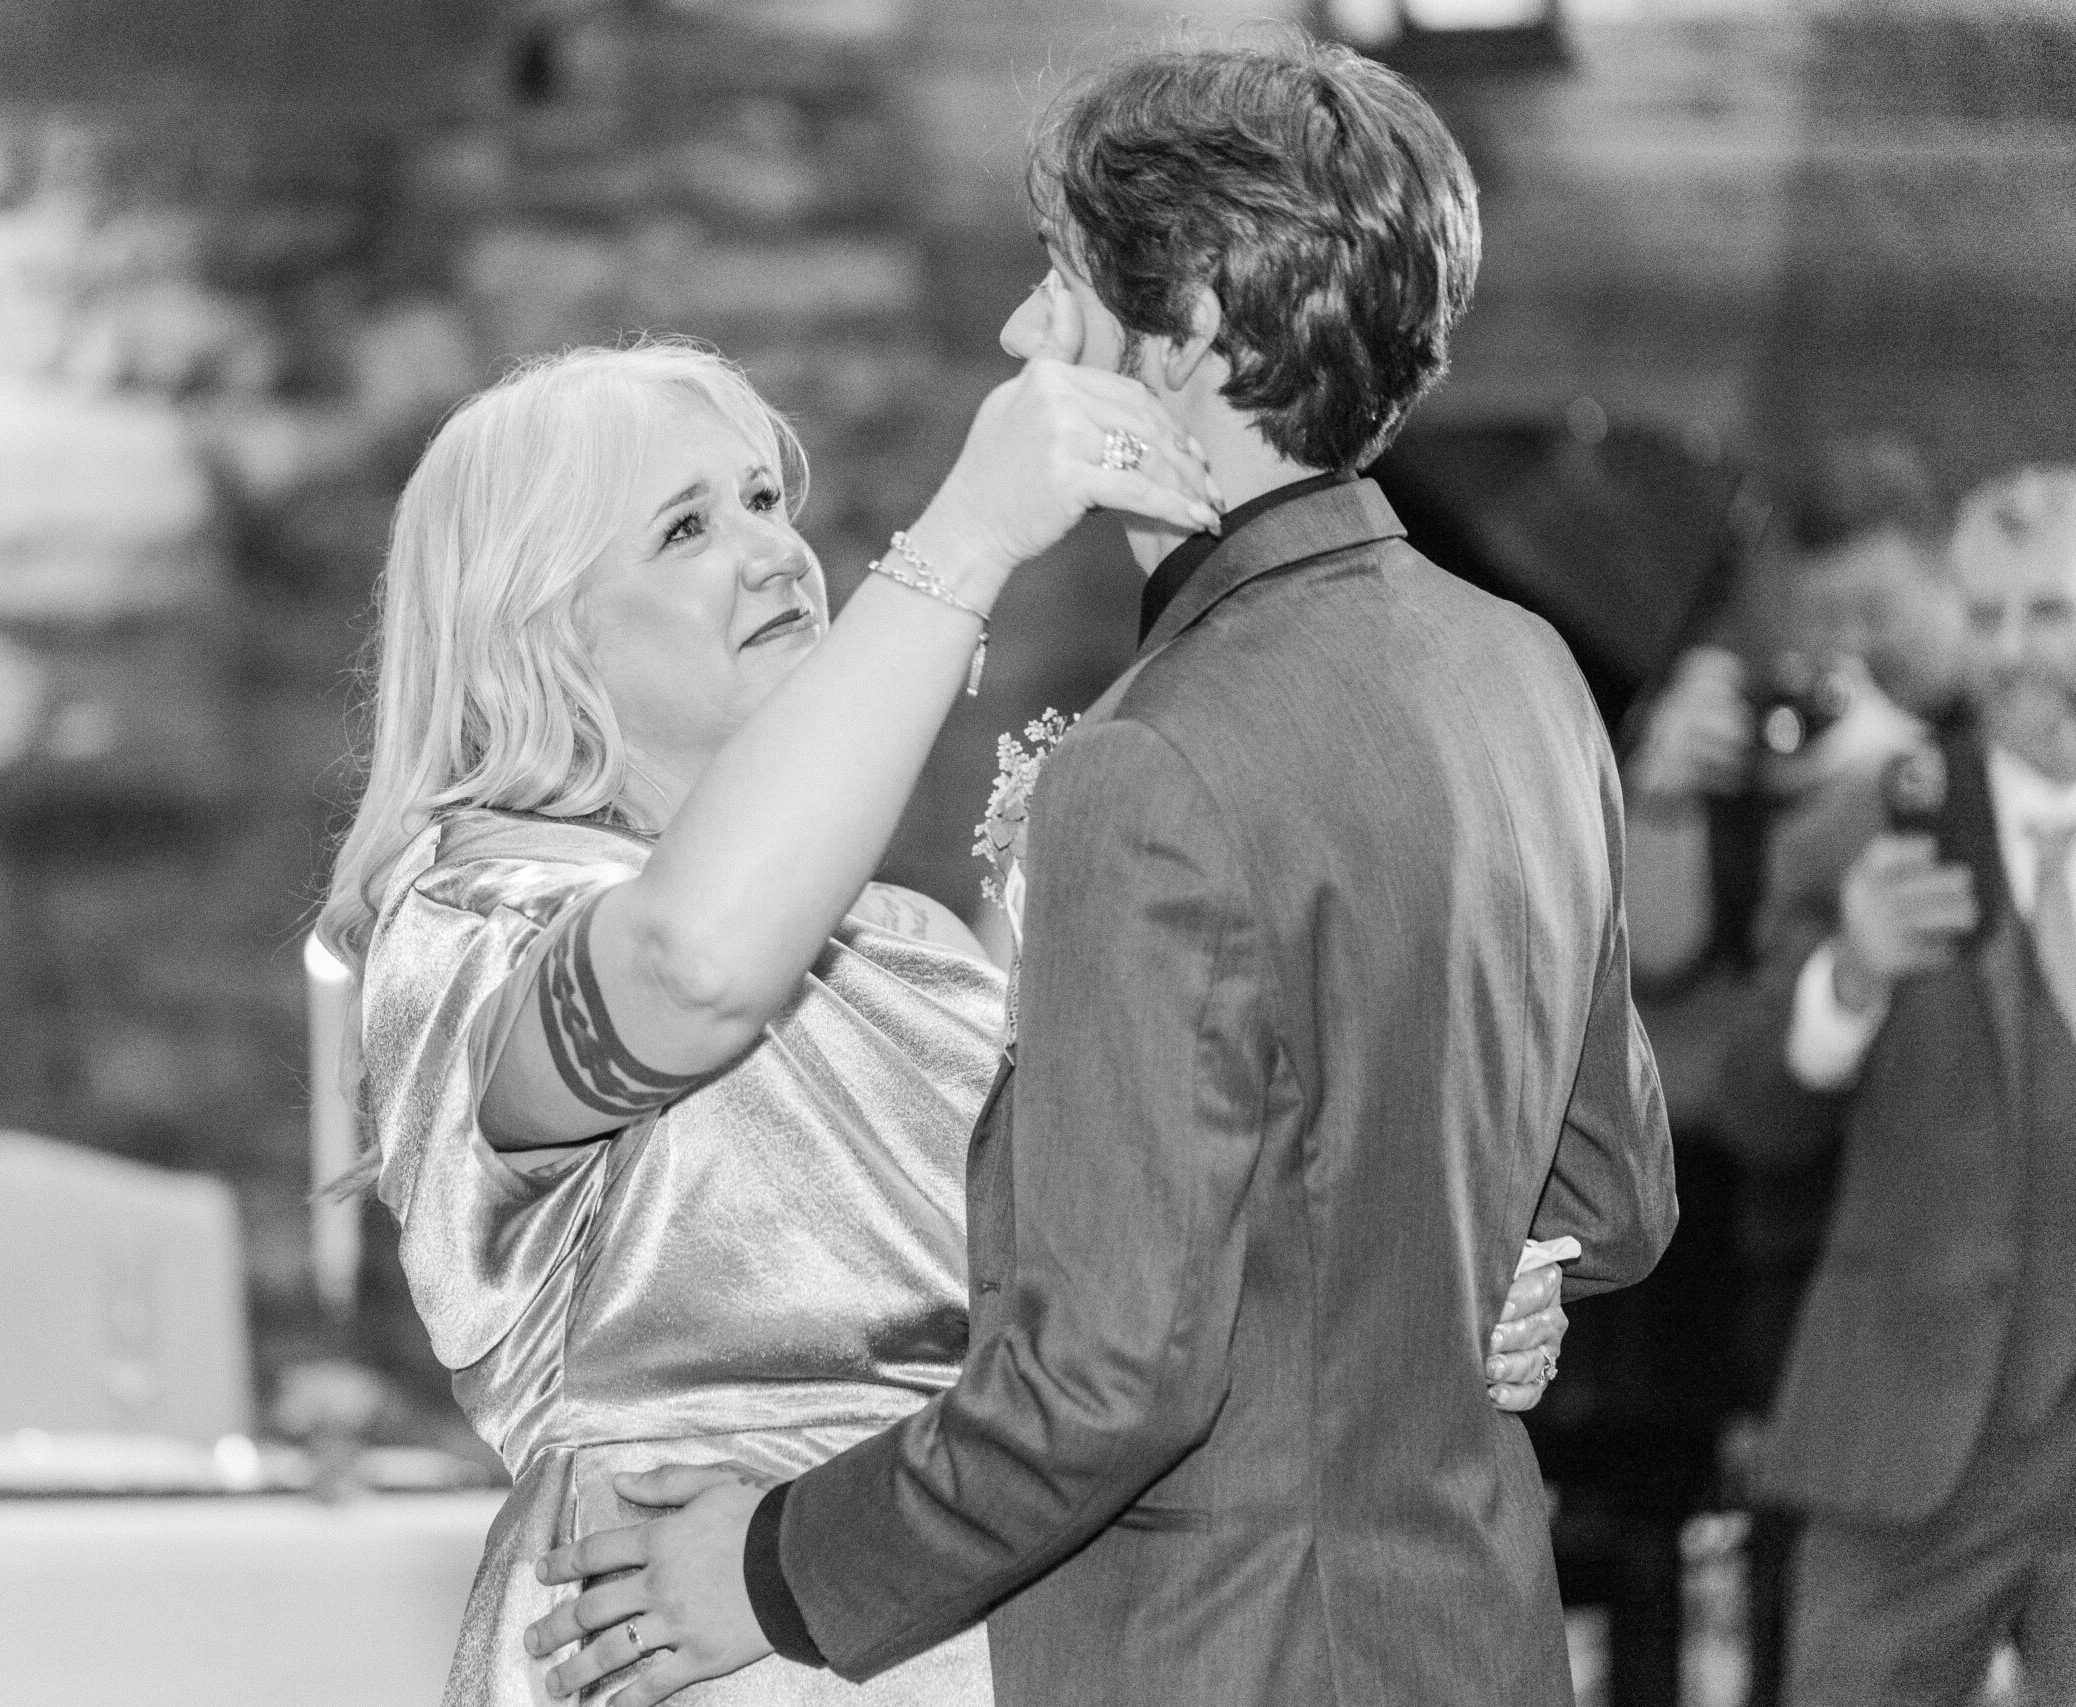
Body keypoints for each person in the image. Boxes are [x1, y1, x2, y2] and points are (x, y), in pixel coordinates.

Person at [528, 41, 1675, 1707]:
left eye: (1059, 282)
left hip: (1224, 1655)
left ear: (1189, 327)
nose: (1020, 333)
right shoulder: (1525, 671)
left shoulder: (1154, 761)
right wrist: (1457, 1275)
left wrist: (766, 1569)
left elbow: (1104, 1381)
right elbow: (1612, 1198)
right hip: (1473, 1637)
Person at [317, 331, 1577, 1707]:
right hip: (681, 1643)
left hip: (980, 1615)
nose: (775, 552)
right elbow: (687, 972)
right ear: (534, 634)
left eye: (764, 500)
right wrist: (966, 535)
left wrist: (1407, 1283)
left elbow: (1111, 1302)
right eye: (686, 527)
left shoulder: (910, 942)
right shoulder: (474, 924)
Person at [1713, 465, 2076, 1705]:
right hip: (1907, 1439)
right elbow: (1752, 1111)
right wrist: (1851, 978)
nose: (2014, 653)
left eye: (2051, 613)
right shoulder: (1863, 824)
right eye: (1987, 615)